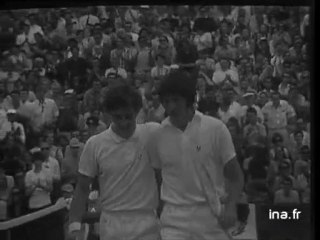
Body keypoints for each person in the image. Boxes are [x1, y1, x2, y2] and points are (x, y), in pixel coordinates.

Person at [148, 70, 244, 240]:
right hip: (173, 220)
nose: (171, 107)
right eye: (166, 101)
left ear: (189, 100)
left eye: (176, 100)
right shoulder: (157, 135)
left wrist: (231, 207)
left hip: (212, 217)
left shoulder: (215, 128)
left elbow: (235, 175)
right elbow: (157, 179)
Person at [68, 85, 161, 240]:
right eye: (118, 117)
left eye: (128, 116)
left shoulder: (153, 133)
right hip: (112, 226)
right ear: (109, 114)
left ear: (138, 111)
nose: (124, 122)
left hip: (148, 225)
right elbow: (82, 189)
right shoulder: (95, 144)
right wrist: (74, 227)